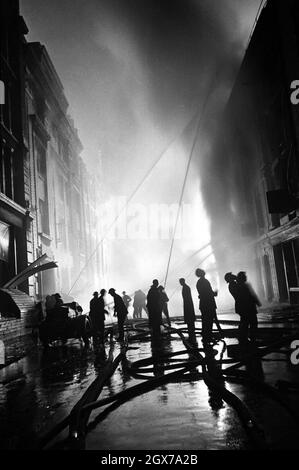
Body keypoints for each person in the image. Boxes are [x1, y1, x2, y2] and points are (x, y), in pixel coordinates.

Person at [236, 271, 261, 346]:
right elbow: (252, 295)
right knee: (253, 323)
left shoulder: (239, 286)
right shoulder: (244, 286)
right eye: (244, 276)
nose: (246, 277)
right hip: (249, 308)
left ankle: (243, 339)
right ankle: (251, 339)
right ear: (242, 278)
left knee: (245, 323)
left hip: (244, 308)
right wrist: (257, 302)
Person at [195, 268, 218, 345]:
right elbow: (208, 293)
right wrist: (214, 293)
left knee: (205, 321)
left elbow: (202, 294)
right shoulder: (205, 281)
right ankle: (208, 337)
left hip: (203, 304)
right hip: (208, 303)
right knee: (209, 321)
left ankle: (206, 338)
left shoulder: (199, 282)